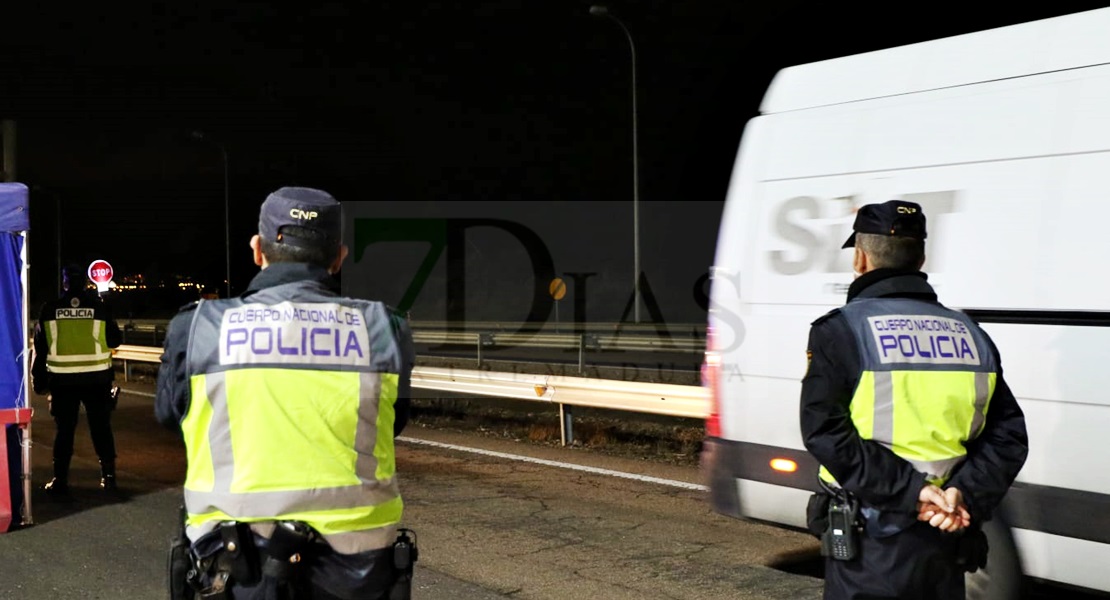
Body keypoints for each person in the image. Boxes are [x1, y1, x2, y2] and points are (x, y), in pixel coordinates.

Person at [155, 186, 416, 600]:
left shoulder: (198, 328)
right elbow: (392, 421)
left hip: (232, 568)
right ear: (338, 258)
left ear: (257, 250)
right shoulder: (384, 328)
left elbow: (171, 415)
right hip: (358, 571)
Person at [800, 199, 1029, 600]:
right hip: (948, 538)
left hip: (871, 544)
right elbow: (1008, 436)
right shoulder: (970, 334)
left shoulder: (840, 332)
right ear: (921, 258)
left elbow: (825, 432)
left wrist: (911, 494)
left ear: (860, 259)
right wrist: (963, 494)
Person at [31, 263, 122, 494]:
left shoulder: (50, 309)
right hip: (97, 380)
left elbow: (40, 349)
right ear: (85, 282)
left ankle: (60, 481)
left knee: (64, 432)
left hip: (63, 381)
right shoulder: (99, 308)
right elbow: (114, 341)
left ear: (64, 283)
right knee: (101, 428)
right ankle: (109, 478)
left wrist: (38, 379)